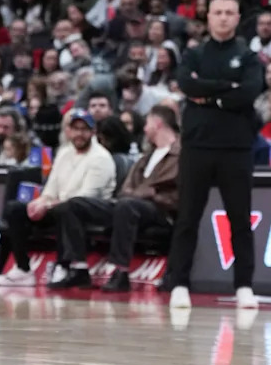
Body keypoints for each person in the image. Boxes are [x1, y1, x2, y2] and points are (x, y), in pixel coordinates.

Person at [163, 0, 263, 311]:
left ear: (237, 18)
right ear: (208, 17)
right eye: (217, 12)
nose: (223, 17)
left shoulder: (248, 56)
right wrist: (227, 88)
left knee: (239, 220)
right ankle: (179, 283)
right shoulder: (193, 54)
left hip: (236, 147)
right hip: (197, 146)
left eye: (229, 12)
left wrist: (210, 94)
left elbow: (249, 91)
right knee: (187, 218)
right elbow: (185, 84)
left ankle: (244, 286)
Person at [50, 106, 180, 292]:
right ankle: (78, 268)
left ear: (158, 124)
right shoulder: (147, 156)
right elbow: (128, 187)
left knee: (127, 205)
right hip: (130, 202)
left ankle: (121, 271)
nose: (144, 128)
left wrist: (140, 193)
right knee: (74, 204)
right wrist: (139, 193)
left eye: (148, 123)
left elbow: (164, 191)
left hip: (160, 209)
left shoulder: (180, 155)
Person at [0, 110, 116, 287]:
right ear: (68, 131)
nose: (79, 134)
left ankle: (66, 266)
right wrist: (39, 202)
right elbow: (51, 189)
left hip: (88, 211)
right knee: (15, 209)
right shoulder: (64, 153)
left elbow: (87, 197)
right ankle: (23, 269)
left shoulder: (101, 158)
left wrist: (48, 205)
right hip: (59, 207)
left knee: (67, 208)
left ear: (93, 132)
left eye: (84, 129)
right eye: (75, 129)